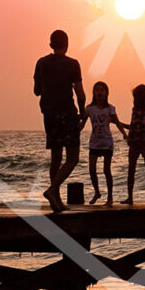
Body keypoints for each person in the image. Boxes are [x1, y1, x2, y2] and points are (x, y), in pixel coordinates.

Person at [33, 29, 84, 213]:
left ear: (50, 45)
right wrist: (83, 112)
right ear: (67, 44)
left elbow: (37, 91)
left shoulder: (41, 63)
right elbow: (80, 94)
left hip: (49, 115)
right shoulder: (73, 64)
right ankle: (53, 190)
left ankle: (57, 201)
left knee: (56, 157)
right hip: (67, 114)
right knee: (73, 158)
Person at [78, 81, 128, 206]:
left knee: (107, 170)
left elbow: (117, 122)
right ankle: (97, 192)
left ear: (106, 93)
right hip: (94, 143)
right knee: (92, 169)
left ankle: (110, 198)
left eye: (102, 90)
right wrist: (73, 130)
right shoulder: (89, 109)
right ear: (94, 93)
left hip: (107, 142)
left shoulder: (110, 108)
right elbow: (82, 125)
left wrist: (124, 134)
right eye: (97, 90)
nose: (99, 92)